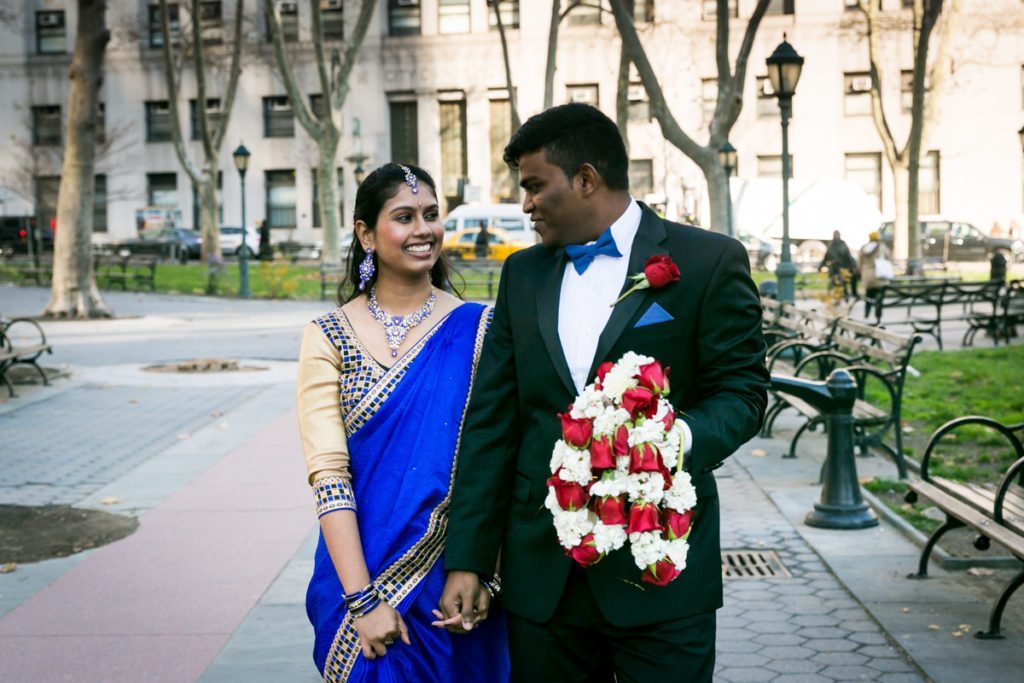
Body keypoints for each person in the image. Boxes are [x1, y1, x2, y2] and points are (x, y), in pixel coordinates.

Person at [438, 104, 769, 682]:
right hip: (543, 579)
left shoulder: (707, 261)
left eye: (535, 186)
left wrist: (668, 439)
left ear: (586, 179)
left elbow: (742, 393)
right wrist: (467, 558)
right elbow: (491, 423)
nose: (526, 205)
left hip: (661, 568)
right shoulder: (522, 276)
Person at [296, 163, 509, 682]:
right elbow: (329, 476)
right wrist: (362, 601)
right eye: (405, 216)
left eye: (432, 215)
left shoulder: (480, 328)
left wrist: (481, 569)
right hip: (358, 578)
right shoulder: (328, 337)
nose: (424, 230)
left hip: (454, 582)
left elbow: (499, 460)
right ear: (366, 233)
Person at [859, 230, 892, 318]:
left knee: (869, 296)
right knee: (879, 296)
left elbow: (859, 262)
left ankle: (867, 313)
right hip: (879, 276)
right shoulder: (882, 247)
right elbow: (889, 258)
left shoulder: (863, 248)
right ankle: (878, 315)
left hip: (867, 276)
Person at [818, 230, 859, 300]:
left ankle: (847, 296)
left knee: (843, 284)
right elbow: (826, 257)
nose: (836, 236)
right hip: (834, 269)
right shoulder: (831, 245)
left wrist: (853, 266)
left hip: (843, 268)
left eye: (837, 234)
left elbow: (848, 256)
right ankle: (840, 298)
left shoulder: (843, 245)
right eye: (835, 234)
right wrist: (820, 267)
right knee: (836, 285)